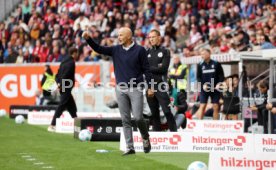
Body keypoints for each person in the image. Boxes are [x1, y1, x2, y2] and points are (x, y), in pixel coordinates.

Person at [82, 27, 152, 155]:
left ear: (129, 36)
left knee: (138, 117)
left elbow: (146, 70)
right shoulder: (115, 50)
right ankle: (130, 147)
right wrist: (88, 39)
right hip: (120, 89)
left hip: (136, 88)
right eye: (118, 35)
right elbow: (99, 49)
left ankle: (145, 138)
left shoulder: (140, 50)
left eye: (121, 35)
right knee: (125, 119)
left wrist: (151, 87)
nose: (118, 37)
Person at [146, 29, 177, 132]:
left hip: (161, 85)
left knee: (167, 111)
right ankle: (157, 136)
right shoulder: (147, 52)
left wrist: (149, 68)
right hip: (150, 86)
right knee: (154, 114)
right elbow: (144, 70)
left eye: (153, 37)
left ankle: (174, 134)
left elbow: (163, 69)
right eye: (150, 37)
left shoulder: (165, 51)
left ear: (159, 37)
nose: (151, 39)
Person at [48, 47, 78, 132]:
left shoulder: (64, 61)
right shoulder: (71, 62)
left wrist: (58, 83)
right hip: (66, 86)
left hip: (63, 85)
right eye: (77, 53)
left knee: (72, 107)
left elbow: (58, 74)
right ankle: (52, 124)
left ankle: (77, 124)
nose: (77, 55)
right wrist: (61, 84)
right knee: (61, 105)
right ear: (74, 53)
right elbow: (66, 74)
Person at [196, 49, 224, 120]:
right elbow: (198, 77)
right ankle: (200, 123)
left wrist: (219, 84)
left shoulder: (216, 63)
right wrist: (203, 85)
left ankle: (215, 124)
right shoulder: (200, 65)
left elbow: (221, 75)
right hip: (204, 88)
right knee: (202, 105)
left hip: (214, 88)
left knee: (216, 106)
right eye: (201, 54)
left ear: (209, 54)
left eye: (204, 54)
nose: (202, 55)